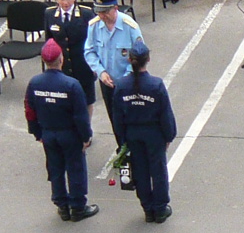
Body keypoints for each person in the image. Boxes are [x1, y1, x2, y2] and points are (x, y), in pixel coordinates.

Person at [26, 39, 99, 220]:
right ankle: (77, 207)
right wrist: (85, 137)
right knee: (76, 169)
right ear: (61, 59)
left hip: (48, 133)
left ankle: (62, 205)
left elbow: (30, 111)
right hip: (70, 134)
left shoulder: (35, 83)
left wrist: (37, 133)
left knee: (55, 168)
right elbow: (80, 115)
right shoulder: (71, 85)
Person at [110, 41, 177, 223]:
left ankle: (147, 207)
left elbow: (117, 117)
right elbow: (165, 114)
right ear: (148, 59)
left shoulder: (121, 86)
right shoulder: (155, 85)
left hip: (133, 134)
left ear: (130, 60)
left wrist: (122, 139)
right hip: (154, 134)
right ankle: (160, 208)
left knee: (139, 170)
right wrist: (169, 135)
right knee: (158, 170)